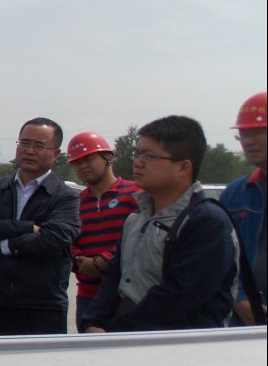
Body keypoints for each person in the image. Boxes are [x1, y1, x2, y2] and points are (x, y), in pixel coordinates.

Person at [81, 116, 236, 332]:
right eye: (137, 153)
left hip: (175, 343)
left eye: (149, 156)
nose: (137, 162)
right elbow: (114, 278)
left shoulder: (206, 222)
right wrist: (93, 322)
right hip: (126, 338)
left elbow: (178, 298)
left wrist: (115, 332)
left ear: (183, 167)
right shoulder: (135, 219)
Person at [0, 118, 80, 336]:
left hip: (43, 306)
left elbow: (53, 240)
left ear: (56, 153)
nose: (29, 150)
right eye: (24, 143)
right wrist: (29, 227)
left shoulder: (65, 197)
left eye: (39, 145)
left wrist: (2, 244)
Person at [65, 131, 139, 331]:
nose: (83, 166)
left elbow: (137, 240)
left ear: (108, 157)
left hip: (126, 295)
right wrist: (79, 261)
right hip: (88, 296)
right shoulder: (75, 202)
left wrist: (102, 262)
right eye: (77, 163)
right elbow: (67, 240)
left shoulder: (135, 193)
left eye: (88, 159)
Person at [222, 92, 266, 326]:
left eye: (258, 132)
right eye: (244, 134)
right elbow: (223, 257)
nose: (249, 141)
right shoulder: (235, 193)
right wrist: (240, 300)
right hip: (244, 320)